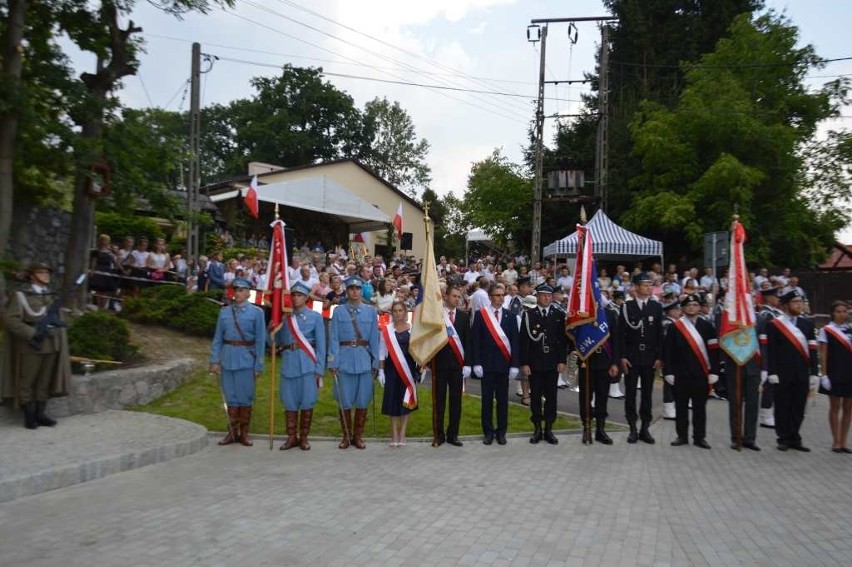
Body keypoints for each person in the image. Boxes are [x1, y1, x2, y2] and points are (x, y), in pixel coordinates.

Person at [1, 263, 71, 429]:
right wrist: (32, 333)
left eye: (48, 272)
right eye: (41, 272)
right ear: (32, 275)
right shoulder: (20, 296)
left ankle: (41, 413)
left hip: (51, 344)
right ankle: (29, 414)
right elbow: (10, 320)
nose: (46, 275)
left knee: (44, 381)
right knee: (27, 380)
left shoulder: (50, 295)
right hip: (31, 345)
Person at [208, 277, 267, 446]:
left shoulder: (257, 313)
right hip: (227, 358)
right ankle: (232, 433)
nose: (238, 293)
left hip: (246, 359)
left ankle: (244, 433)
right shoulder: (224, 312)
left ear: (249, 293)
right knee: (231, 397)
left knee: (245, 397)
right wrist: (214, 360)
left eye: (241, 290)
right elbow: (218, 338)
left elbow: (260, 341)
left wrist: (259, 365)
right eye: (236, 290)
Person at [328, 276, 380, 449]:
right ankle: (346, 436)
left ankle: (358, 436)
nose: (355, 292)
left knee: (363, 399)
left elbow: (374, 337)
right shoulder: (338, 311)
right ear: (347, 291)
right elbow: (334, 338)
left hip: (364, 360)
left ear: (361, 291)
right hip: (344, 360)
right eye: (351, 289)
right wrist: (332, 362)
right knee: (345, 400)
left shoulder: (371, 312)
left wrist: (375, 362)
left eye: (358, 289)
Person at [766, 289, 819, 452]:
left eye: (801, 302)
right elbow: (771, 350)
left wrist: (815, 372)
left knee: (798, 407)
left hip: (802, 372)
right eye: (795, 302)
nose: (799, 305)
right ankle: (783, 438)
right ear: (787, 305)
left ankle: (795, 436)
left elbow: (812, 349)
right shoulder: (775, 325)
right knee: (782, 406)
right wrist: (771, 372)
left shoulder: (807, 324)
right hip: (782, 373)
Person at [664, 294, 720, 448]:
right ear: (682, 308)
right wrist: (668, 372)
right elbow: (668, 351)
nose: (691, 307)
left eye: (695, 305)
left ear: (699, 307)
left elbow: (714, 350)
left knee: (699, 408)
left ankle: (699, 437)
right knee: (681, 407)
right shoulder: (675, 327)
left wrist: (714, 371)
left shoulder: (707, 326)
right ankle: (681, 436)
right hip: (680, 374)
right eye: (688, 305)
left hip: (701, 374)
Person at [275, 282, 326, 451]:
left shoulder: (315, 317)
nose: (296, 298)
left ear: (306, 298)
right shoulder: (285, 318)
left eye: (299, 295)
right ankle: (291, 437)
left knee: (307, 402)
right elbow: (278, 342)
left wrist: (319, 369)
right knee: (289, 402)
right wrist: (272, 329)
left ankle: (304, 438)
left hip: (307, 365)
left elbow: (321, 345)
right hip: (289, 363)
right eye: (294, 295)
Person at [471, 283, 520, 445]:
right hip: (486, 366)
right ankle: (488, 432)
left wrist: (514, 365)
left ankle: (501, 432)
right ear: (490, 297)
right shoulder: (481, 315)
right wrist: (476, 363)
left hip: (504, 366)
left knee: (502, 400)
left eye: (502, 295)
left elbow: (514, 342)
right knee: (486, 401)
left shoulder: (511, 316)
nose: (500, 298)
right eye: (497, 295)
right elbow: (475, 341)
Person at [618, 273, 664, 444]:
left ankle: (645, 427)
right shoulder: (626, 307)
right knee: (630, 393)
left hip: (650, 357)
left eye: (650, 285)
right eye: (645, 285)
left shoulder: (656, 307)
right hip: (631, 357)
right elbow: (621, 334)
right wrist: (622, 356)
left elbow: (660, 333)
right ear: (635, 288)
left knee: (647, 393)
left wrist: (660, 356)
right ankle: (632, 427)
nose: (648, 288)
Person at [520, 284, 568, 445]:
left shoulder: (558, 315)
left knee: (551, 397)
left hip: (552, 363)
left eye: (549, 295)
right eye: (543, 295)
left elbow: (562, 340)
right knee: (535, 398)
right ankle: (537, 429)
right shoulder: (529, 315)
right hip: (535, 363)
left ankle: (549, 429)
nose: (547, 298)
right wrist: (524, 362)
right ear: (538, 296)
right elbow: (524, 341)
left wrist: (562, 360)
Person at [577, 302, 621, 445]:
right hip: (587, 362)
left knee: (602, 397)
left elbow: (615, 340)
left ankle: (600, 430)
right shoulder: (582, 314)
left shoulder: (609, 314)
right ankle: (587, 428)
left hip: (605, 362)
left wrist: (615, 362)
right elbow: (575, 337)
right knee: (585, 397)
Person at [433, 282, 470, 447]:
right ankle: (439, 434)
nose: (457, 299)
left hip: (457, 366)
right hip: (440, 365)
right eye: (454, 296)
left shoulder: (463, 316)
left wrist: (467, 364)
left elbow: (467, 342)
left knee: (456, 402)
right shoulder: (437, 315)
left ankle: (453, 435)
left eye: (459, 296)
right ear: (446, 296)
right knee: (439, 401)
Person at [378, 300, 419, 447]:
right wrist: (381, 371)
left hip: (408, 369)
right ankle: (394, 433)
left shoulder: (412, 329)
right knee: (392, 400)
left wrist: (421, 368)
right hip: (391, 369)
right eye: (395, 311)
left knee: (406, 401)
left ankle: (403, 433)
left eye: (400, 310)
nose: (397, 313)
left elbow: (417, 351)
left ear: (405, 312)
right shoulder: (386, 330)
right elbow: (382, 352)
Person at [818, 300, 852, 453]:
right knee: (835, 407)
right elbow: (823, 354)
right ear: (832, 313)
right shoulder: (827, 330)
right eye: (838, 311)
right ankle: (836, 441)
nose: (842, 314)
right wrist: (824, 375)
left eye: (844, 311)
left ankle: (844, 441)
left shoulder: (850, 329)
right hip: (834, 372)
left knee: (848, 408)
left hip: (849, 372)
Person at [757, 287, 784, 428]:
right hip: (767, 351)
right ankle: (765, 414)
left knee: (774, 384)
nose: (778, 299)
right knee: (769, 384)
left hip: (776, 351)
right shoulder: (766, 315)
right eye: (775, 296)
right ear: (768, 298)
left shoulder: (775, 313)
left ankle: (770, 412)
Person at [660, 299, 681, 421]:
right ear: (670, 311)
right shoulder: (667, 323)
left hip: (675, 357)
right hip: (669, 357)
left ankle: (672, 407)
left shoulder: (675, 323)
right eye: (676, 310)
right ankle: (668, 409)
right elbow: (667, 343)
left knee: (674, 382)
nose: (679, 312)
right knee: (669, 382)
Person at [89, 234, 119, 310]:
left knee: (106, 291)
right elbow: (94, 262)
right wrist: (92, 271)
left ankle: (103, 308)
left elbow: (115, 262)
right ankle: (99, 307)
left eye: (106, 240)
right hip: (99, 270)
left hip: (108, 271)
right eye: (103, 240)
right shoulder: (96, 251)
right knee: (99, 291)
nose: (105, 242)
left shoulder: (110, 252)